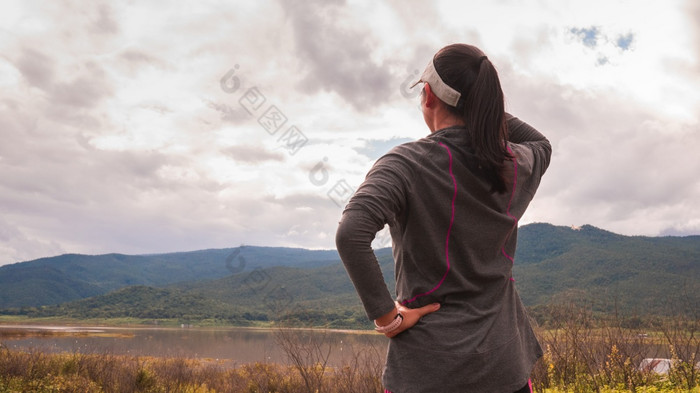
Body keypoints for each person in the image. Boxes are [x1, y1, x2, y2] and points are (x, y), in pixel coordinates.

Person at [335, 43, 552, 393]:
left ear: (428, 95)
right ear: (487, 104)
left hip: (427, 371)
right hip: (504, 365)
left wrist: (387, 319)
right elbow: (541, 142)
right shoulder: (515, 164)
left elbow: (351, 233)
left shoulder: (406, 164)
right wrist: (483, 110)